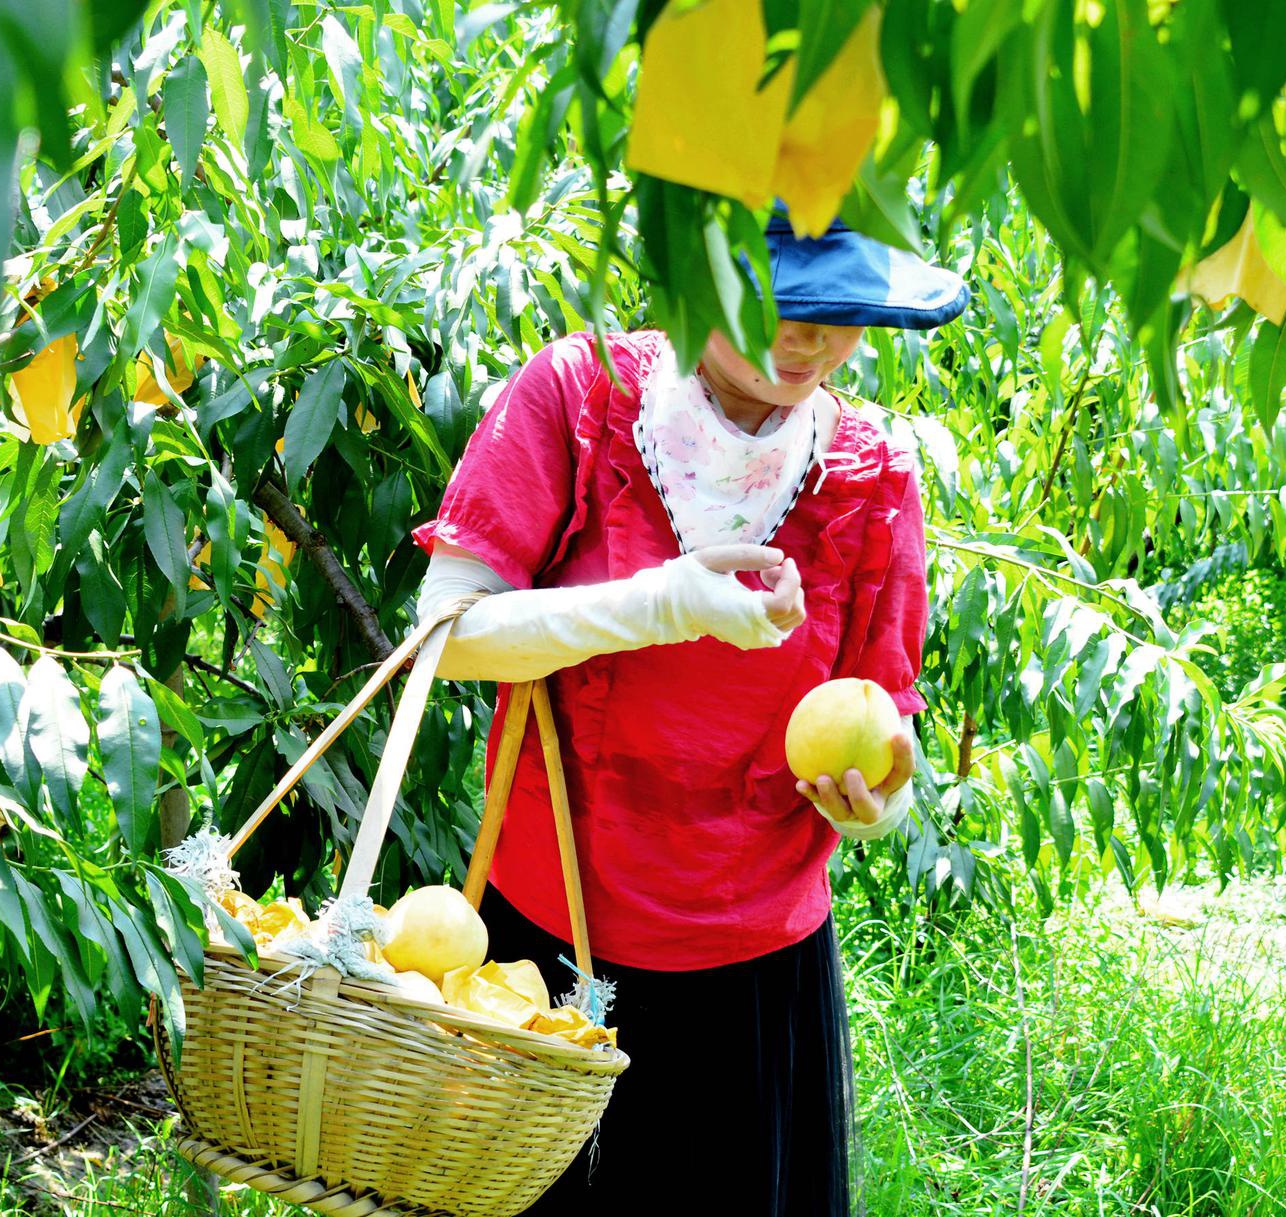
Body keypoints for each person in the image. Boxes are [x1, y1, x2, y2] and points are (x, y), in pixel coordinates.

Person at [408, 208, 967, 1215]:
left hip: (752, 976)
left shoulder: (871, 476)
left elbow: (885, 718)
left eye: (839, 308)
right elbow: (447, 635)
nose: (811, 339)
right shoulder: (581, 398)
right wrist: (658, 604)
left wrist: (873, 803)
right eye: (778, 303)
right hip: (548, 948)